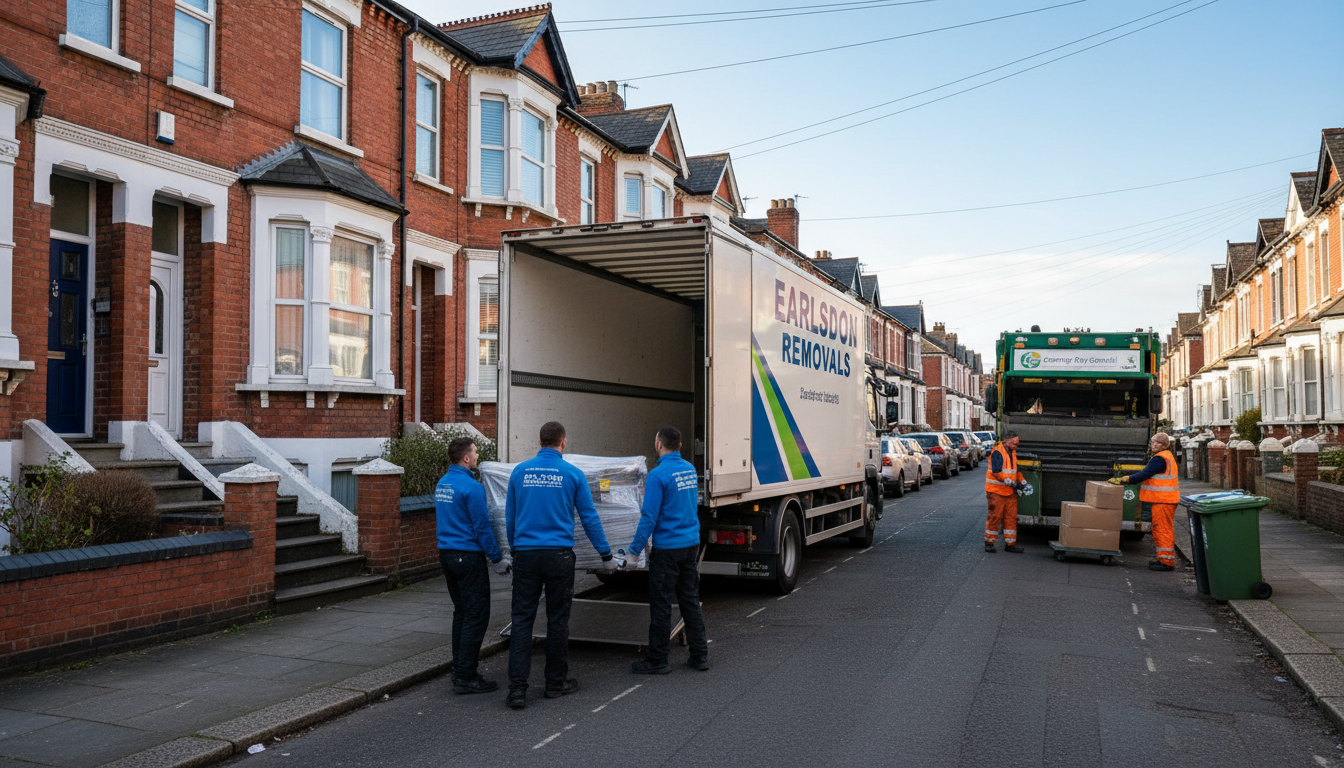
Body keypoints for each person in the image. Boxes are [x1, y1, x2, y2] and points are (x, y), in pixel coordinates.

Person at [504, 421, 618, 710]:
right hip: (559, 556)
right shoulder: (572, 474)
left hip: (526, 555)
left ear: (539, 440)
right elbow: (589, 518)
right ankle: (555, 683)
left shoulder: (520, 472)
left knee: (521, 621)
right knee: (557, 620)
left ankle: (517, 689)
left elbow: (510, 519)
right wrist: (605, 554)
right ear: (563, 443)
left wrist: (515, 549)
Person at [625, 426, 709, 675]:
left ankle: (658, 660)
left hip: (667, 549)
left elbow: (649, 516)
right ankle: (700, 656)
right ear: (680, 445)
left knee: (661, 605)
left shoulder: (658, 475)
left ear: (659, 444)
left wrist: (633, 551)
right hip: (690, 544)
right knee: (690, 601)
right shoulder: (690, 470)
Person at [434, 436, 508, 695]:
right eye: (475, 452)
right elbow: (482, 527)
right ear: (465, 458)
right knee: (477, 616)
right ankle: (466, 675)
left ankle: (460, 670)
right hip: (468, 557)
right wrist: (497, 558)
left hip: (447, 555)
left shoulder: (443, 483)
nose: (477, 456)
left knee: (462, 613)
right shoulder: (472, 487)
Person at [1111, 432, 1179, 571]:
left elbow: (1144, 474)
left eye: (1157, 442)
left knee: (1162, 530)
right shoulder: (1166, 457)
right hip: (1165, 501)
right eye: (1153, 442)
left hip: (1163, 501)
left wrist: (1127, 479)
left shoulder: (1160, 459)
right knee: (1163, 529)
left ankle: (1166, 562)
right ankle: (1164, 559)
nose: (1154, 445)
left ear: (1165, 445)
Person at [984, 430, 1026, 553]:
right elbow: (997, 472)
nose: (1015, 446)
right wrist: (1008, 481)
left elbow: (1015, 471)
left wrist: (1022, 481)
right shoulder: (997, 451)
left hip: (1009, 491)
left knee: (1011, 518)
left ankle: (1010, 544)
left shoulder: (1012, 452)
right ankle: (989, 542)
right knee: (995, 517)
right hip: (996, 491)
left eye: (1017, 444)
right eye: (1014, 444)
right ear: (1006, 441)